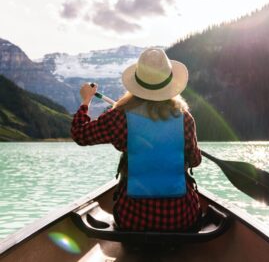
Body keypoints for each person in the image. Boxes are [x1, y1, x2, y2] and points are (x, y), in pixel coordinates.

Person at [71, 48, 202, 231]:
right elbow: (195, 161)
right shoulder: (185, 118)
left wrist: (86, 100)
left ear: (137, 83)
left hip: (134, 218)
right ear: (170, 83)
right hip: (181, 217)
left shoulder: (119, 116)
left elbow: (80, 134)